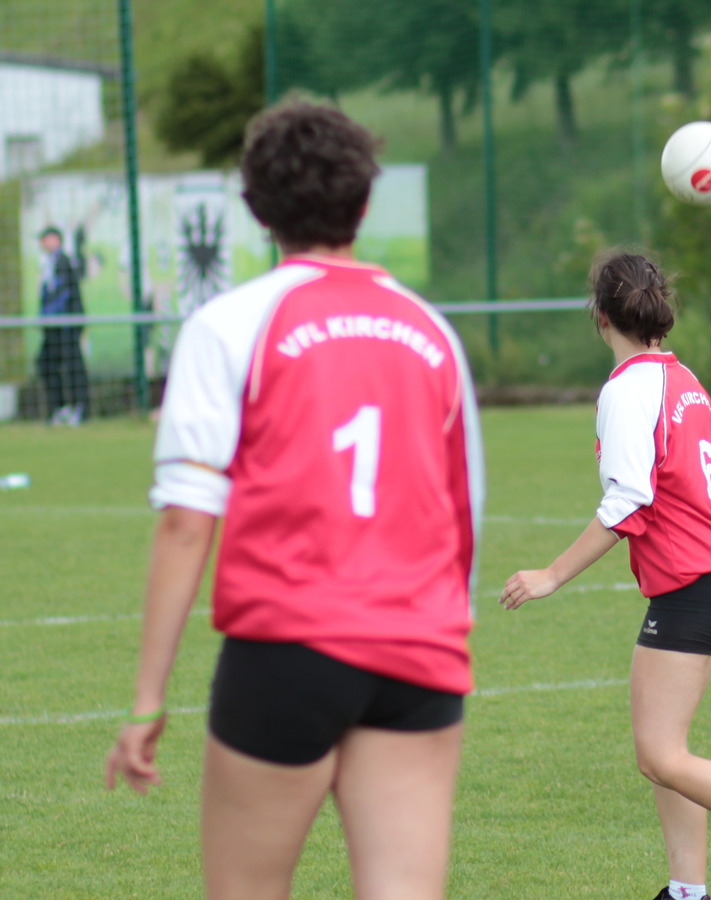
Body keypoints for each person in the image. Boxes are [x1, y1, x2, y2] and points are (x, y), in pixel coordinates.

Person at [104, 99, 485, 900]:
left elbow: (184, 521)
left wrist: (146, 701)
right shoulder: (432, 331)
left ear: (253, 207)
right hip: (417, 651)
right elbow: (463, 517)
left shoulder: (228, 325)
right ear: (366, 201)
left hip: (287, 650)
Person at [500, 251, 711, 900]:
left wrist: (551, 573)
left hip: (695, 580)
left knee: (659, 755)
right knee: (668, 751)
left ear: (600, 317)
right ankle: (687, 891)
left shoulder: (629, 388)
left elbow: (627, 500)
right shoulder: (680, 375)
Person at [37, 225, 90, 424]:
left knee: (73, 365)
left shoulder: (63, 262)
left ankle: (79, 409)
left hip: (65, 324)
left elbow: (64, 295)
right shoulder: (49, 263)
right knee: (47, 363)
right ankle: (60, 408)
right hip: (54, 326)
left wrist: (50, 316)